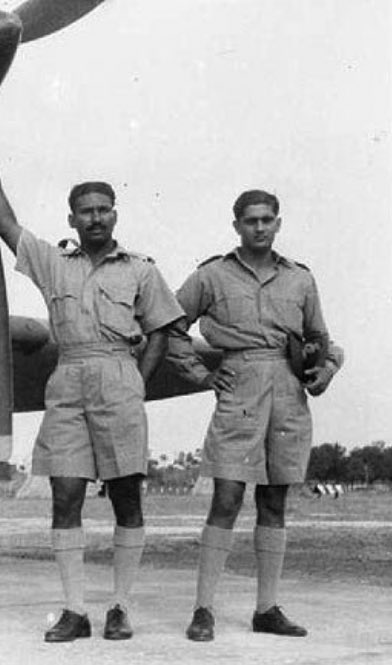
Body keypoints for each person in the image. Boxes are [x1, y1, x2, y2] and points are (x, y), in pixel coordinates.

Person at [0, 140, 185, 642]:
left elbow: (163, 329)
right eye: (86, 211)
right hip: (68, 380)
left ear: (115, 214)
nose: (96, 218)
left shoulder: (141, 269)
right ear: (72, 219)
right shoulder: (53, 263)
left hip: (119, 377)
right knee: (65, 494)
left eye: (104, 210)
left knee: (127, 496)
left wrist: (137, 382)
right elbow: (6, 226)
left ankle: (121, 607)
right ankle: (75, 610)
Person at [167, 189, 342, 642]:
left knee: (275, 502)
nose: (259, 227)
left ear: (278, 223)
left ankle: (267, 608)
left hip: (287, 390)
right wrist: (200, 375)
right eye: (250, 221)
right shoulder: (212, 275)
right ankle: (203, 608)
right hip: (238, 385)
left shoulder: (300, 279)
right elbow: (169, 325)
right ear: (237, 226)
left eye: (267, 220)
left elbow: (320, 336)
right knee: (226, 497)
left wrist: (323, 371)